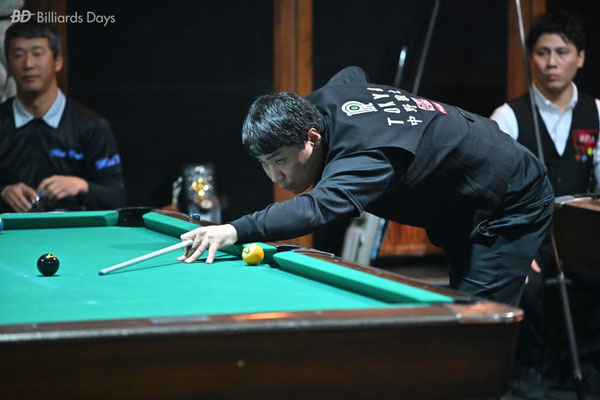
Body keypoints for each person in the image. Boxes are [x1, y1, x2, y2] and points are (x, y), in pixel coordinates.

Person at [179, 65, 554, 308]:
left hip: (509, 200)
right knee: (461, 311)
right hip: (465, 199)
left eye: (279, 161)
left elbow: (316, 208)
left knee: (474, 329)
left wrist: (234, 229)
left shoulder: (367, 157)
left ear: (312, 138)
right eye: (263, 164)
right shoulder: (322, 105)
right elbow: (352, 73)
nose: (275, 177)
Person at [491, 11, 600, 398]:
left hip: (577, 233)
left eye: (562, 52)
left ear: (580, 58)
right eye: (542, 52)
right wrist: (516, 248)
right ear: (530, 58)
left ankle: (587, 362)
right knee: (523, 282)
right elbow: (491, 194)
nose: (552, 62)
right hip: (527, 235)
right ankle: (528, 370)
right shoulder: (508, 117)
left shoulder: (597, 112)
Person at [0, 22, 125, 213]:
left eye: (37, 53)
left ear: (58, 61)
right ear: (8, 64)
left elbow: (117, 198)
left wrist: (82, 186)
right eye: (18, 55)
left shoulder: (91, 126)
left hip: (73, 230)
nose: (28, 64)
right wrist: (3, 192)